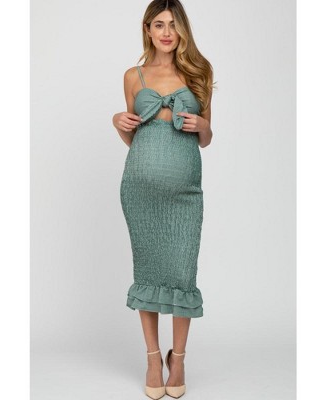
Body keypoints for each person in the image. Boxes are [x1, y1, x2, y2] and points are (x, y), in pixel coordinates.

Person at [112, 0, 215, 398]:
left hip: (184, 190)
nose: (167, 32)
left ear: (182, 29)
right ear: (148, 29)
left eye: (173, 24)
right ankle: (154, 358)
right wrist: (117, 122)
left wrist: (202, 124)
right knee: (149, 271)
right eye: (159, 24)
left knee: (182, 274)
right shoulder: (133, 76)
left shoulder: (199, 72)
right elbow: (133, 136)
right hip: (140, 188)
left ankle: (180, 359)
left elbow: (205, 139)